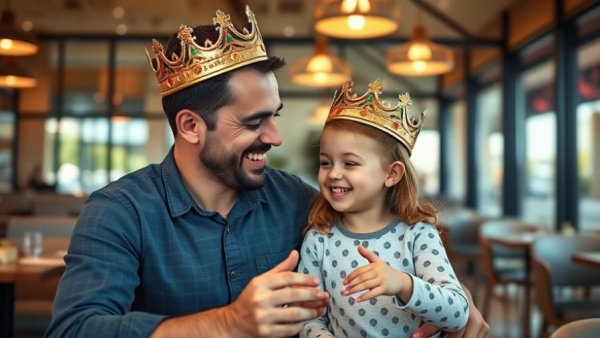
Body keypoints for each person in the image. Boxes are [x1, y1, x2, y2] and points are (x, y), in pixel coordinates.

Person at [46, 6, 488, 338]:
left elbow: (387, 234)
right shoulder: (119, 212)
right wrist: (228, 322)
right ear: (190, 126)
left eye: (274, 115)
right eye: (254, 122)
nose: (275, 137)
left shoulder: (297, 200)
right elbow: (75, 330)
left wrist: (456, 303)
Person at [298, 80, 470, 338]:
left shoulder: (418, 235)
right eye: (325, 162)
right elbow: (308, 319)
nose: (333, 173)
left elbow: (457, 314)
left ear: (392, 174)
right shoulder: (318, 240)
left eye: (350, 163)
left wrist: (404, 284)